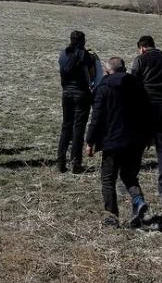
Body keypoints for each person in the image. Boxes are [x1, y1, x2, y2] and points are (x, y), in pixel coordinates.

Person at [85, 57, 151, 227]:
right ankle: (138, 201)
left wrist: (90, 141)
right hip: (136, 140)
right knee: (129, 175)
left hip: (113, 141)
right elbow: (148, 110)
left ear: (107, 71)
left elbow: (96, 117)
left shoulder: (104, 87)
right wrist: (149, 136)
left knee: (108, 179)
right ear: (124, 69)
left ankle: (112, 217)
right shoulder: (137, 85)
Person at [129, 35, 162, 201]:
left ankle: (132, 184)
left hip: (144, 109)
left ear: (142, 47)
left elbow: (132, 85)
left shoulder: (139, 61)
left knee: (137, 148)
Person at [57, 30, 96, 173]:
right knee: (78, 128)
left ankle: (60, 162)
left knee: (66, 126)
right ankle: (76, 163)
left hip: (66, 93)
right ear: (82, 41)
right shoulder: (85, 55)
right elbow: (92, 76)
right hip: (81, 93)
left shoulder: (63, 54)